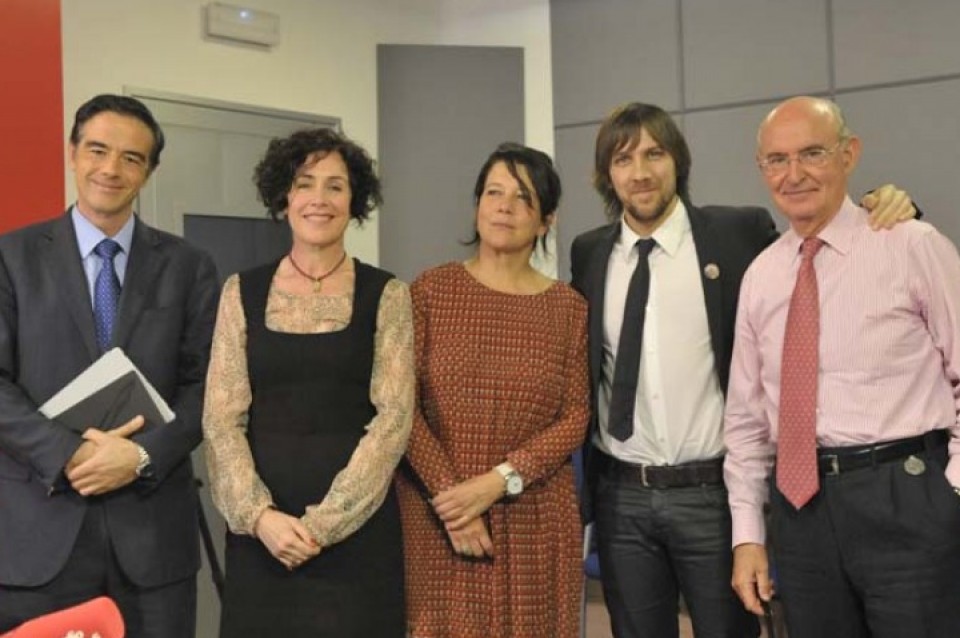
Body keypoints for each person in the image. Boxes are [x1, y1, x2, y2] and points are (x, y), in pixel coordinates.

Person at [569, 102, 915, 638]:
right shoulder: (589, 253)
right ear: (606, 175)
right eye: (623, 159)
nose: (640, 172)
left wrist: (890, 203)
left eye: (654, 154)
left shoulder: (737, 233)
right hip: (623, 497)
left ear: (677, 161)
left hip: (711, 493)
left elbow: (820, 239)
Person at [724, 96, 960, 638]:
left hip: (907, 499)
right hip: (801, 513)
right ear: (762, 170)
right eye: (777, 160)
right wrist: (748, 534)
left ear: (849, 154)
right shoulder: (761, 275)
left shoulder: (911, 245)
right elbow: (746, 421)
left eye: (812, 153)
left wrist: (949, 496)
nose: (795, 173)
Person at [0, 94, 219, 636]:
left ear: (149, 171)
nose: (111, 169)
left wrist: (142, 456)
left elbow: (209, 388)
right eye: (98, 150)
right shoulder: (10, 257)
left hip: (152, 542)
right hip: (38, 535)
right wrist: (69, 452)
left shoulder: (189, 266)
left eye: (131, 157)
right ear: (72, 153)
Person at [202, 127, 414, 637]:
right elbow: (221, 417)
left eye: (336, 186)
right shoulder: (241, 291)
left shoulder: (387, 294)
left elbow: (394, 421)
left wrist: (323, 525)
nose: (319, 199)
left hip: (356, 534)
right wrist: (261, 517)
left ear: (354, 200)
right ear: (283, 197)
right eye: (305, 183)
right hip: (262, 536)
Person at [397, 143, 590, 638]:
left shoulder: (568, 309)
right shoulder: (430, 291)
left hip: (535, 514)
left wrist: (498, 481)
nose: (504, 206)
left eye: (522, 197)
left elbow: (575, 417)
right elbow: (401, 407)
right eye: (493, 192)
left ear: (546, 219)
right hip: (440, 518)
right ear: (477, 205)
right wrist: (454, 501)